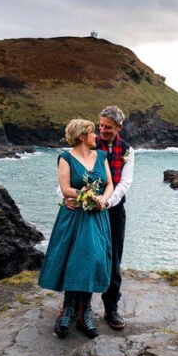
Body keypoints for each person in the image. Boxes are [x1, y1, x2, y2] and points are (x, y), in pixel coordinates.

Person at [38, 118, 114, 339]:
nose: (96, 136)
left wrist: (104, 201)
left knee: (92, 260)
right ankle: (68, 309)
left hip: (97, 217)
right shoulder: (66, 158)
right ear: (82, 136)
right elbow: (65, 189)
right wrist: (85, 196)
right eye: (92, 133)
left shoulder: (101, 156)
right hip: (73, 216)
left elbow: (109, 183)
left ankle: (85, 312)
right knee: (74, 261)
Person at [60, 106, 133, 330]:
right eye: (100, 125)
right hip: (85, 208)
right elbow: (67, 179)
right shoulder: (88, 145)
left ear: (119, 128)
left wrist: (106, 202)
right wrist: (65, 198)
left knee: (113, 258)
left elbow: (124, 183)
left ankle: (111, 309)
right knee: (82, 256)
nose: (102, 130)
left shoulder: (128, 151)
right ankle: (76, 307)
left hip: (113, 210)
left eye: (107, 127)